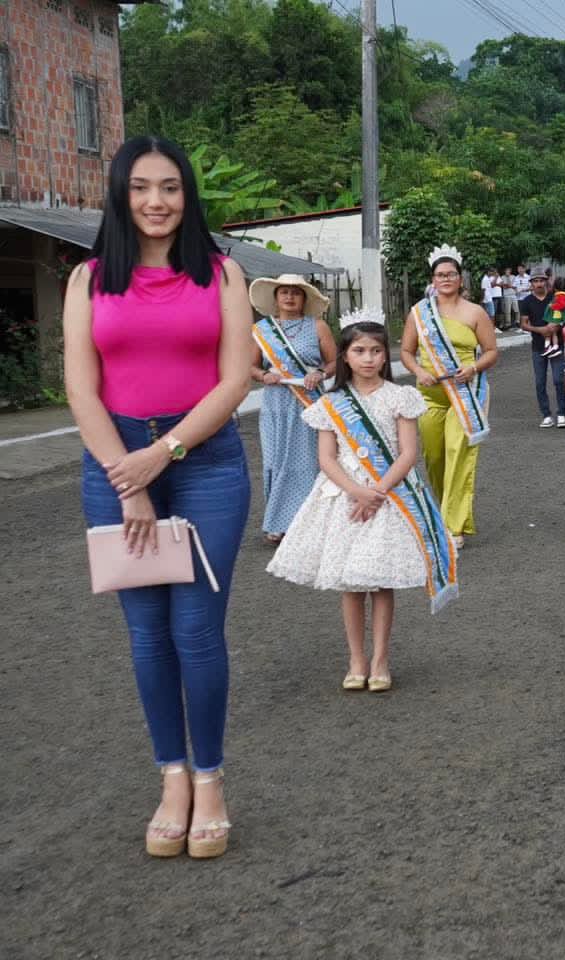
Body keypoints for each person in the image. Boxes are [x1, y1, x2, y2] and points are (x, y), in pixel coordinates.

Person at [64, 135, 252, 858]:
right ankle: (172, 778)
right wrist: (129, 478)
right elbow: (81, 390)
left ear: (187, 194)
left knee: (196, 631)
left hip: (206, 464)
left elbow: (234, 380)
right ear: (120, 192)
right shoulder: (87, 281)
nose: (155, 201)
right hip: (113, 465)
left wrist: (162, 454)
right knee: (146, 634)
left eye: (170, 187)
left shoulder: (222, 274)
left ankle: (210, 780)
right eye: (141, 186)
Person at [269, 309, 457, 692]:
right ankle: (356, 658)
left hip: (390, 497)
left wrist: (377, 492)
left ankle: (380, 658)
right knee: (351, 583)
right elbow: (326, 458)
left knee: (380, 580)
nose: (368, 358)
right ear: (345, 356)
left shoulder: (400, 397)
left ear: (386, 355)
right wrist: (357, 492)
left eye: (376, 350)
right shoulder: (332, 403)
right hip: (344, 497)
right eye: (359, 351)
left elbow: (408, 453)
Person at [400, 245, 499, 548]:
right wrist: (418, 370)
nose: (445, 279)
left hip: (465, 393)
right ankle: (444, 510)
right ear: (433, 279)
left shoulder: (475, 312)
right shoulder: (419, 313)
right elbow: (406, 352)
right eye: (440, 275)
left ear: (460, 278)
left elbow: (491, 352)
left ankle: (452, 526)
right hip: (430, 395)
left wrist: (473, 368)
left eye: (451, 274)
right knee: (434, 457)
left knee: (458, 453)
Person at [248, 273, 336, 545]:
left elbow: (335, 361)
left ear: (304, 298)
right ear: (276, 298)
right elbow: (250, 366)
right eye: (284, 292)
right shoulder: (261, 330)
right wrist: (264, 376)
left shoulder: (318, 326)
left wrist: (320, 373)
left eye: (295, 292)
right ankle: (278, 522)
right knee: (276, 460)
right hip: (275, 404)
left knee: (308, 461)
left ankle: (309, 523)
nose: (289, 297)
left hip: (309, 401)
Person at [519, 273, 565, 428]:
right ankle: (546, 414)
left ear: (546, 282)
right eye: (536, 281)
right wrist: (540, 330)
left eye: (541, 281)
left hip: (557, 344)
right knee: (540, 382)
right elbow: (523, 324)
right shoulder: (526, 301)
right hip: (538, 346)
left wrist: (556, 326)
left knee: (558, 379)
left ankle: (561, 413)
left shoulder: (556, 297)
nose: (539, 284)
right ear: (531, 283)